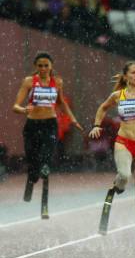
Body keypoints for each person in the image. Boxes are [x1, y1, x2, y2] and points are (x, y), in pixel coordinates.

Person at [89, 61, 135, 238]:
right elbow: (103, 108)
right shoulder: (117, 95)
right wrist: (97, 125)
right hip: (124, 141)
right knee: (124, 175)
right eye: (134, 73)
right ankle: (116, 188)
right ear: (126, 76)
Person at [12, 51, 83, 219]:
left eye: (46, 65)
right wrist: (23, 109)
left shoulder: (57, 82)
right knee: (33, 161)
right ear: (35, 67)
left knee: (46, 155)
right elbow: (15, 105)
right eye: (40, 66)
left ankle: (44, 169)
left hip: (50, 125)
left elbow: (62, 104)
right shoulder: (29, 82)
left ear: (51, 67)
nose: (43, 68)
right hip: (32, 126)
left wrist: (73, 120)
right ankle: (32, 179)